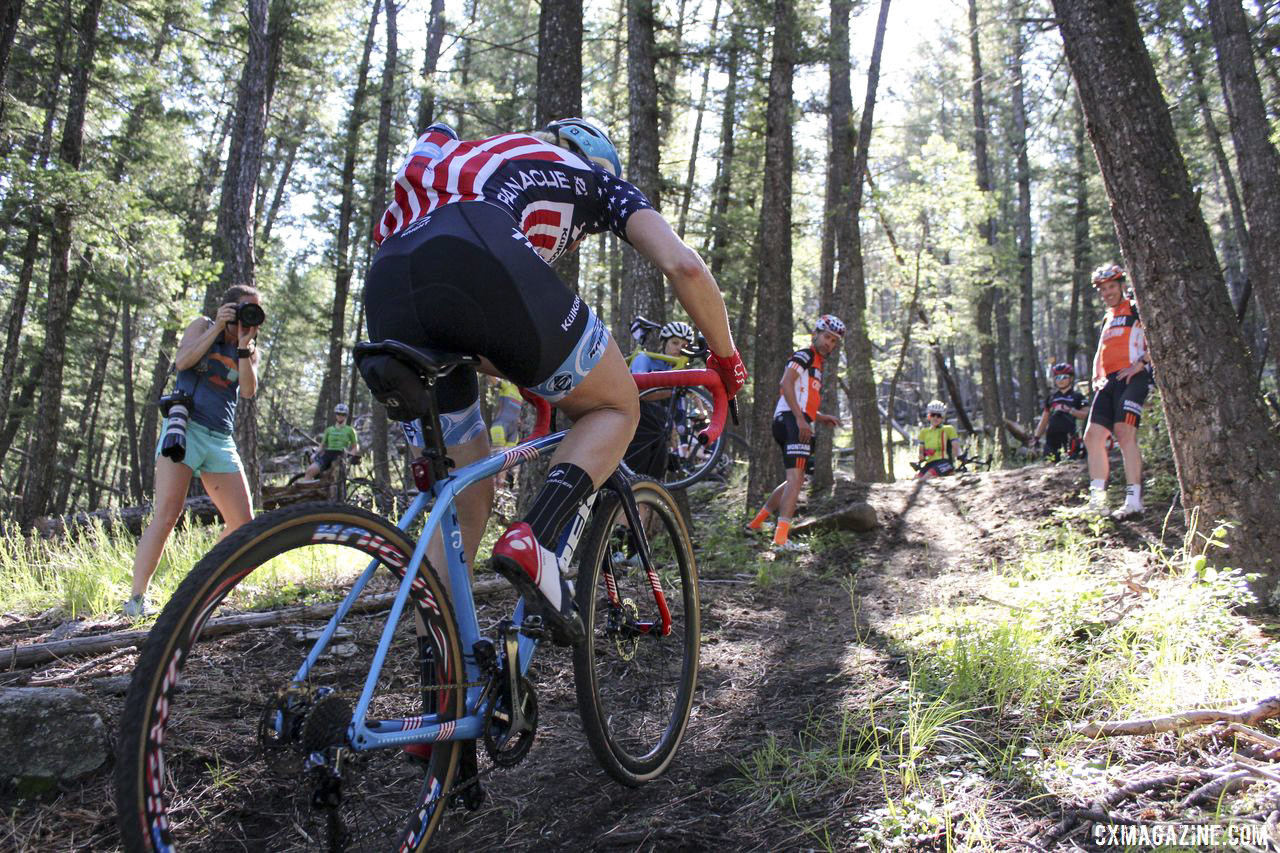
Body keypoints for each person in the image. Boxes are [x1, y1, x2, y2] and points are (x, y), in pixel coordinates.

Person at [362, 118, 744, 646]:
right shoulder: (594, 178)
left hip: (387, 284)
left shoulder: (479, 156)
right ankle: (537, 542)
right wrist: (726, 359)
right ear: (593, 158)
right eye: (581, 235)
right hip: (476, 248)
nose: (574, 241)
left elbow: (476, 322)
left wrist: (524, 371)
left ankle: (443, 686)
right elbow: (685, 267)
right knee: (617, 405)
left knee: (467, 494)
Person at [124, 285, 262, 618]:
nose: (249, 318)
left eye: (255, 312)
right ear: (228, 307)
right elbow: (183, 361)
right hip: (185, 429)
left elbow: (247, 391)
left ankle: (198, 588)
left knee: (242, 523)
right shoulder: (202, 325)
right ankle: (136, 600)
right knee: (167, 516)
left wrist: (243, 348)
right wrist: (217, 327)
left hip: (220, 438)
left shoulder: (249, 348)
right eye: (245, 309)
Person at [745, 315, 845, 551]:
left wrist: (819, 417)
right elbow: (786, 383)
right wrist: (801, 420)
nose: (829, 343)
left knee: (795, 478)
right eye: (826, 337)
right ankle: (780, 539)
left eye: (833, 341)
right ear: (816, 333)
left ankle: (757, 523)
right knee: (796, 480)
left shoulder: (817, 365)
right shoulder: (806, 355)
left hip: (792, 420)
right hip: (790, 421)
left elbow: (803, 397)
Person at [1083, 263, 1153, 519]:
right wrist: (1095, 374)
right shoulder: (1108, 317)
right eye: (1103, 289)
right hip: (1108, 381)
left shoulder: (1136, 308)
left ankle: (1134, 500)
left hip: (1133, 377)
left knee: (1124, 434)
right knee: (1092, 437)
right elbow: (1102, 348)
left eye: (1111, 287)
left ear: (1122, 286)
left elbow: (1156, 338)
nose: (1107, 293)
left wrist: (1141, 364)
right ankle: (1098, 501)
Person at [623, 320, 695, 479]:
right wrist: (672, 391)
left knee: (655, 479)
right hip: (634, 421)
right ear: (664, 343)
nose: (679, 348)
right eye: (675, 342)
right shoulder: (644, 359)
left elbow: (676, 415)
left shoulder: (674, 370)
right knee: (634, 476)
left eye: (684, 345)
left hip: (657, 430)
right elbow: (639, 392)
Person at [1033, 363, 1088, 462]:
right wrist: (1036, 437)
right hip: (1052, 438)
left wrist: (1069, 410)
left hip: (1071, 437)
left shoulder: (1078, 396)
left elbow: (1086, 415)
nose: (1060, 380)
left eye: (1064, 377)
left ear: (1070, 378)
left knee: (1070, 465)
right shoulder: (1051, 398)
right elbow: (1044, 420)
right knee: (1049, 464)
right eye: (1057, 377)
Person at [300, 403, 360, 483]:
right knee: (310, 471)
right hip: (328, 454)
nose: (340, 416)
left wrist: (350, 456)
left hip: (341, 455)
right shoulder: (329, 430)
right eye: (338, 414)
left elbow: (355, 447)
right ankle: (307, 492)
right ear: (336, 415)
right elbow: (322, 445)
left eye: (343, 414)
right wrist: (315, 454)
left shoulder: (350, 430)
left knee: (335, 477)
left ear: (346, 415)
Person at [916, 399, 962, 476]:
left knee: (927, 476)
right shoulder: (924, 432)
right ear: (928, 416)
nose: (935, 418)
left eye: (939, 415)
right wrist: (922, 455)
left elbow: (955, 447)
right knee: (916, 479)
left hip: (945, 462)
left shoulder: (948, 429)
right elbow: (921, 452)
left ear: (942, 417)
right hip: (930, 463)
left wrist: (958, 457)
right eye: (933, 415)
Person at [487, 375, 525, 450]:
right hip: (501, 425)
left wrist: (519, 420)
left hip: (514, 430)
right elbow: (493, 380)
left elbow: (516, 410)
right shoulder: (507, 386)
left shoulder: (521, 395)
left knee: (512, 457)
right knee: (498, 455)